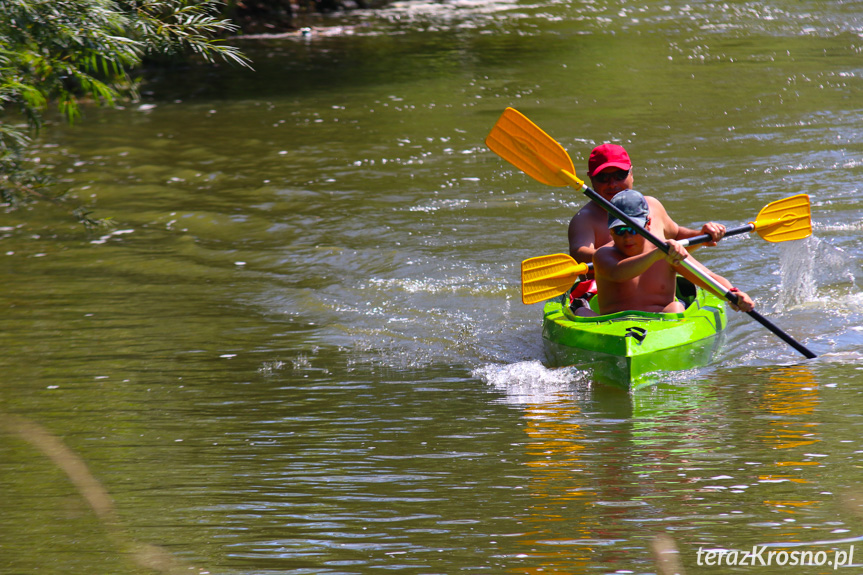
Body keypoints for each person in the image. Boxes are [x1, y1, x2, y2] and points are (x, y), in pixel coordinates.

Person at [566, 143, 727, 314]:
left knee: (676, 306)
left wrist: (701, 236)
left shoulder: (652, 206)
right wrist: (626, 257)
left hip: (655, 290)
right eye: (603, 178)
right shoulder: (584, 219)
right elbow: (579, 255)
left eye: (620, 175)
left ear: (631, 173)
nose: (612, 184)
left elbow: (677, 235)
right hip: (605, 293)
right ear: (591, 179)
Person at [591, 190, 754, 316]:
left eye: (633, 229)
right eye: (619, 230)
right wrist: (657, 254)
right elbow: (619, 273)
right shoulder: (603, 255)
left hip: (663, 321)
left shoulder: (666, 253)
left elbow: (707, 276)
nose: (627, 237)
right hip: (614, 324)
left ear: (647, 224)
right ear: (610, 231)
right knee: (582, 313)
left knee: (676, 307)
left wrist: (733, 294)